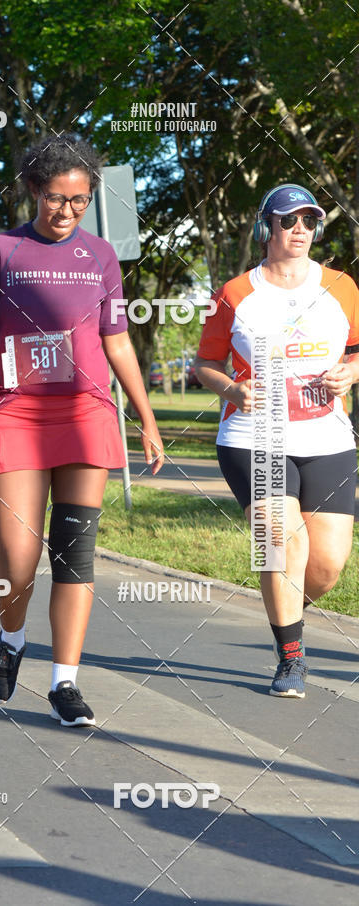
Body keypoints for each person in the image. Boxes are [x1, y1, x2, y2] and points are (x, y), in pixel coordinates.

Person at [0, 134, 164, 727]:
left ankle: (65, 683)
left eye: (78, 202)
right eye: (56, 199)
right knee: (19, 558)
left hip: (85, 414)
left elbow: (117, 340)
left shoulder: (101, 256)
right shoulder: (0, 251)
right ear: (32, 190)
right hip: (18, 414)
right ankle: (13, 637)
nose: (67, 212)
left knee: (74, 554)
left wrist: (147, 418)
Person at [196, 183, 359, 699]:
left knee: (327, 565)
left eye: (308, 222)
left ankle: (284, 608)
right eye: (288, 221)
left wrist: (350, 375)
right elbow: (204, 364)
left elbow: (358, 352)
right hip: (254, 435)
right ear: (266, 226)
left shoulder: (343, 287)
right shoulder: (235, 292)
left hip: (327, 436)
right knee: (280, 541)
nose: (300, 231)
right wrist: (232, 389)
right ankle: (290, 657)